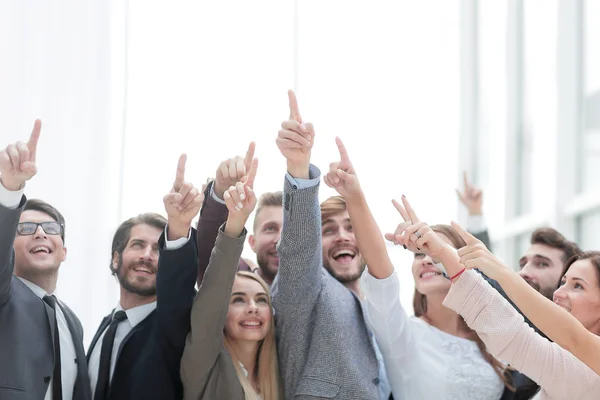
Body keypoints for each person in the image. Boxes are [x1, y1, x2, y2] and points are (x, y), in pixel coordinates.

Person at [324, 137, 510, 399]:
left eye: (436, 252)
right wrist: (354, 196)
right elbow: (381, 271)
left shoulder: (490, 335)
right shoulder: (403, 334)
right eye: (417, 254)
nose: (424, 259)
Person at [390, 199, 600, 399]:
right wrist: (442, 253)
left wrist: (496, 267)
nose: (559, 293)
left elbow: (570, 336)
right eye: (563, 282)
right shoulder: (564, 365)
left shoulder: (585, 373)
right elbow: (509, 330)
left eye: (578, 286)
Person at [270, 91, 391, 399]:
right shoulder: (307, 286)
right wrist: (299, 168)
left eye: (351, 228)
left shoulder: (380, 305)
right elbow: (298, 252)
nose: (342, 236)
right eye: (328, 229)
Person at [87, 155, 203, 400]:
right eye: (138, 245)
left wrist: (179, 226)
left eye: (158, 249)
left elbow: (178, 284)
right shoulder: (106, 326)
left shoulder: (173, 323)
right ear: (116, 258)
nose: (148, 256)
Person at [0, 120, 92, 400]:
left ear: (63, 250)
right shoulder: (5, 295)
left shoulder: (72, 321)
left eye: (51, 229)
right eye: (26, 229)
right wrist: (10, 190)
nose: (40, 233)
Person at [181, 159, 282, 400]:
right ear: (253, 241)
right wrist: (234, 218)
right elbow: (214, 276)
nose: (252, 308)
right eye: (237, 300)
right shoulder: (207, 363)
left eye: (261, 300)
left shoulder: (276, 376)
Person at [195, 143, 283, 287]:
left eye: (290, 231)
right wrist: (222, 194)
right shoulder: (235, 279)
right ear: (252, 242)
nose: (280, 240)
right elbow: (212, 257)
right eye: (270, 229)